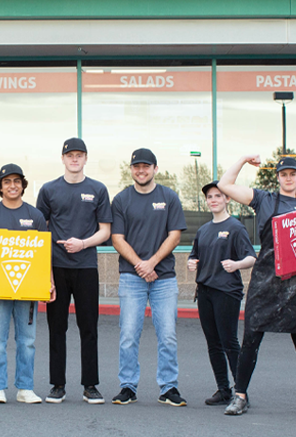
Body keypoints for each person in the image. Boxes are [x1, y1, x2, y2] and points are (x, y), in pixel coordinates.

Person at [218, 154, 296, 417]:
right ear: (277, 177)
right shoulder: (263, 199)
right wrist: (244, 160)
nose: (288, 178)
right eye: (284, 174)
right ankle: (240, 396)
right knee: (251, 340)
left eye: (293, 174)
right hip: (264, 282)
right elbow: (225, 185)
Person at [36, 137, 111, 405]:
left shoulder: (98, 189)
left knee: (88, 327)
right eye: (70, 155)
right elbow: (39, 228)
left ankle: (90, 385)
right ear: (63, 158)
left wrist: (83, 243)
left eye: (79, 155)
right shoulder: (49, 190)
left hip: (86, 266)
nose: (75, 159)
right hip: (56, 267)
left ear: (86, 158)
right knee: (57, 327)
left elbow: (105, 230)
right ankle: (58, 384)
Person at [109, 148, 187, 407]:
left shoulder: (169, 197)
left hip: (163, 277)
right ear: (131, 170)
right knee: (129, 333)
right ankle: (128, 387)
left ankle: (169, 388)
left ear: (155, 168)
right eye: (136, 167)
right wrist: (140, 265)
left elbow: (175, 235)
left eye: (146, 166)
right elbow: (117, 239)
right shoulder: (121, 200)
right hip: (131, 277)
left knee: (168, 335)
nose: (141, 171)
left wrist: (151, 263)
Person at [0, 164, 53, 405]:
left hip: (28, 289)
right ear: (0, 186)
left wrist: (49, 281)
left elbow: (44, 253)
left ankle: (25, 388)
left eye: (16, 181)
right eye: (7, 181)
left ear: (23, 185)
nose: (12, 186)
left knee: (27, 341)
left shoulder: (35, 215)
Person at [187, 181, 256, 407]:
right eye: (209, 197)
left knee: (229, 341)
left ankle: (240, 392)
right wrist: (191, 262)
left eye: (218, 195)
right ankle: (223, 389)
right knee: (213, 343)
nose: (214, 199)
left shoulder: (236, 227)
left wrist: (236, 265)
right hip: (205, 291)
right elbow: (193, 255)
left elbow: (251, 257)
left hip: (226, 291)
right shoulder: (203, 230)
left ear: (227, 199)